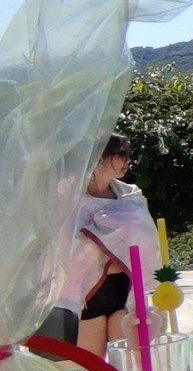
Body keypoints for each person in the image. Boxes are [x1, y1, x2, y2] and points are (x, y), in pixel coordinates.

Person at [61, 136, 160, 352]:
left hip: (125, 291)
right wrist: (102, 232)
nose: (128, 161)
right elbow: (64, 246)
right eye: (122, 155)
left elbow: (147, 241)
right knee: (89, 366)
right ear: (99, 158)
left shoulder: (130, 196)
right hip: (87, 294)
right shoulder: (70, 197)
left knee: (128, 365)